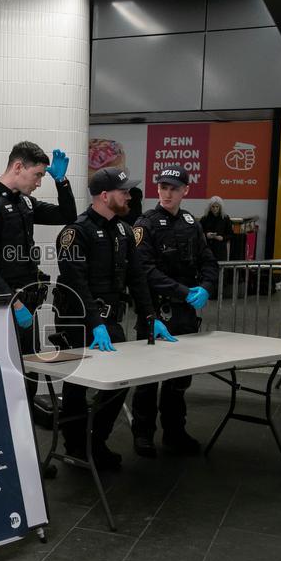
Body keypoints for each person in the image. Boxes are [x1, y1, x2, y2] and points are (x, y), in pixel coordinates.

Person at [52, 167, 176, 470]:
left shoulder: (122, 230)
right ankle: (76, 447)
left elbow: (137, 278)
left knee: (120, 380)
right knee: (76, 386)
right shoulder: (75, 232)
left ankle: (97, 440)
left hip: (108, 321)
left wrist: (151, 317)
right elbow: (76, 282)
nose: (129, 196)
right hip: (77, 319)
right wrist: (95, 323)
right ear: (105, 196)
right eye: (123, 192)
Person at [0, 141, 76, 403]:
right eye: (38, 174)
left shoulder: (25, 202)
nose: (40, 182)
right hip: (3, 306)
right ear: (18, 167)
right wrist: (14, 304)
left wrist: (61, 182)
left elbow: (67, 214)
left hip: (25, 305)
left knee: (28, 374)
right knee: (4, 376)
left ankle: (23, 433)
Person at [131, 166, 219, 457]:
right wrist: (183, 292)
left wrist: (205, 287)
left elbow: (208, 261)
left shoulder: (191, 223)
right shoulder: (146, 224)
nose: (166, 193)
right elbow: (144, 270)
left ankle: (175, 431)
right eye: (163, 187)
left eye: (173, 188)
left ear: (185, 191)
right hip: (156, 312)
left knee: (179, 379)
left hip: (185, 316)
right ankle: (143, 434)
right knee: (147, 379)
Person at [200, 196, 234, 261]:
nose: (215, 209)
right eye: (213, 207)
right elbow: (199, 232)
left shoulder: (225, 218)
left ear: (220, 207)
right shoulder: (205, 218)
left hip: (220, 249)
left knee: (220, 268)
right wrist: (206, 235)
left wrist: (223, 238)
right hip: (208, 248)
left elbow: (231, 234)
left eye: (217, 207)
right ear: (210, 207)